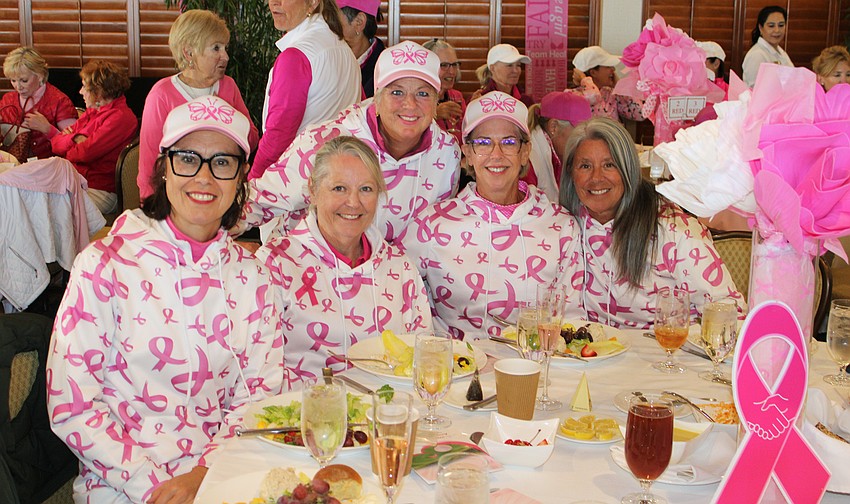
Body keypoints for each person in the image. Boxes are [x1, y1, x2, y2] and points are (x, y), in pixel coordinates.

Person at [47, 95, 284, 503]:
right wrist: (155, 486)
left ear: (241, 177)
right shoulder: (104, 266)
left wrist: (204, 474)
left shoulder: (253, 277)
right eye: (188, 158)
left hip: (223, 476)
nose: (204, 178)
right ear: (164, 168)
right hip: (121, 486)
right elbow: (73, 404)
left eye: (223, 162)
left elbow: (261, 394)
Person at [399, 91, 579, 340]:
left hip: (534, 369)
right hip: (458, 370)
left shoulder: (560, 226)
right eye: (483, 143)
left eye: (508, 142)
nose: (496, 154)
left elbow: (569, 317)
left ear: (525, 152)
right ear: (468, 154)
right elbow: (400, 299)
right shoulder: (431, 225)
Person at [242, 40, 459, 245]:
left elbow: (434, 232)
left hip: (394, 278)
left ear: (437, 98)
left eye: (423, 93)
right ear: (378, 96)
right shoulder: (325, 141)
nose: (410, 104)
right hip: (308, 272)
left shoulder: (447, 153)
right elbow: (260, 200)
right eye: (397, 92)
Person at [257, 136, 431, 388]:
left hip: (389, 415)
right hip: (306, 417)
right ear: (314, 191)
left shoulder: (399, 267)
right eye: (339, 188)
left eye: (366, 189)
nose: (353, 202)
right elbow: (258, 369)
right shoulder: (276, 264)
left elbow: (423, 356)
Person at [559, 118, 744, 329]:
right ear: (571, 175)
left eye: (609, 165)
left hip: (671, 353)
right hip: (594, 355)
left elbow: (730, 310)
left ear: (629, 170)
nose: (596, 177)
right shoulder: (567, 228)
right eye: (585, 166)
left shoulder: (674, 230)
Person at [138, 9, 259, 200]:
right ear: (189, 53)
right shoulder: (162, 94)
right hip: (178, 199)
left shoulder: (228, 86)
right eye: (216, 48)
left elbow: (251, 141)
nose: (226, 57)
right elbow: (149, 164)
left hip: (222, 193)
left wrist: (223, 113)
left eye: (225, 48)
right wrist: (152, 209)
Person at [252, 0, 361, 179]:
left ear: (312, 3)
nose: (274, 3)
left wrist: (253, 179)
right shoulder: (344, 49)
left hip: (295, 181)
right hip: (338, 175)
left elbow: (279, 134)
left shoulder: (297, 56)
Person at [50, 60, 138, 214]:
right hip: (76, 182)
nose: (80, 92)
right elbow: (56, 144)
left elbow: (85, 154)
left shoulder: (121, 117)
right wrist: (75, 138)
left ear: (98, 93)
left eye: (84, 87)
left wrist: (70, 143)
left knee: (57, 214)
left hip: (101, 189)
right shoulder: (93, 112)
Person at [0, 47, 77, 160]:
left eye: (24, 80)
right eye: (13, 80)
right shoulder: (7, 100)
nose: (18, 87)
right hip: (13, 166)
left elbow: (74, 145)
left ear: (40, 75)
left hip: (48, 167)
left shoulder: (59, 101)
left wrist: (48, 129)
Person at [526, 91, 591, 201]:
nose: (585, 138)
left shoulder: (558, 153)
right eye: (579, 131)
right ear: (553, 127)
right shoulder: (529, 159)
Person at [568, 46, 644, 123]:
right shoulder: (572, 95)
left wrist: (619, 86)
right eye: (608, 67)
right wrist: (584, 80)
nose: (613, 70)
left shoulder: (611, 94)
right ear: (593, 72)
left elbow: (640, 114)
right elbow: (593, 97)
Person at [338, 0, 385, 98]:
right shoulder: (326, 57)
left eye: (332, 19)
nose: (324, 25)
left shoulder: (384, 69)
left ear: (359, 22)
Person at [423, 38, 466, 146]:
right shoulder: (418, 98)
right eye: (444, 65)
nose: (451, 71)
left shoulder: (456, 97)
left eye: (454, 65)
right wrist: (434, 115)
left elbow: (466, 133)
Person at [742, 6, 792, 87]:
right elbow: (754, 89)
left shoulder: (781, 52)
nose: (777, 30)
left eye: (781, 25)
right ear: (761, 28)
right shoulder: (757, 55)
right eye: (771, 26)